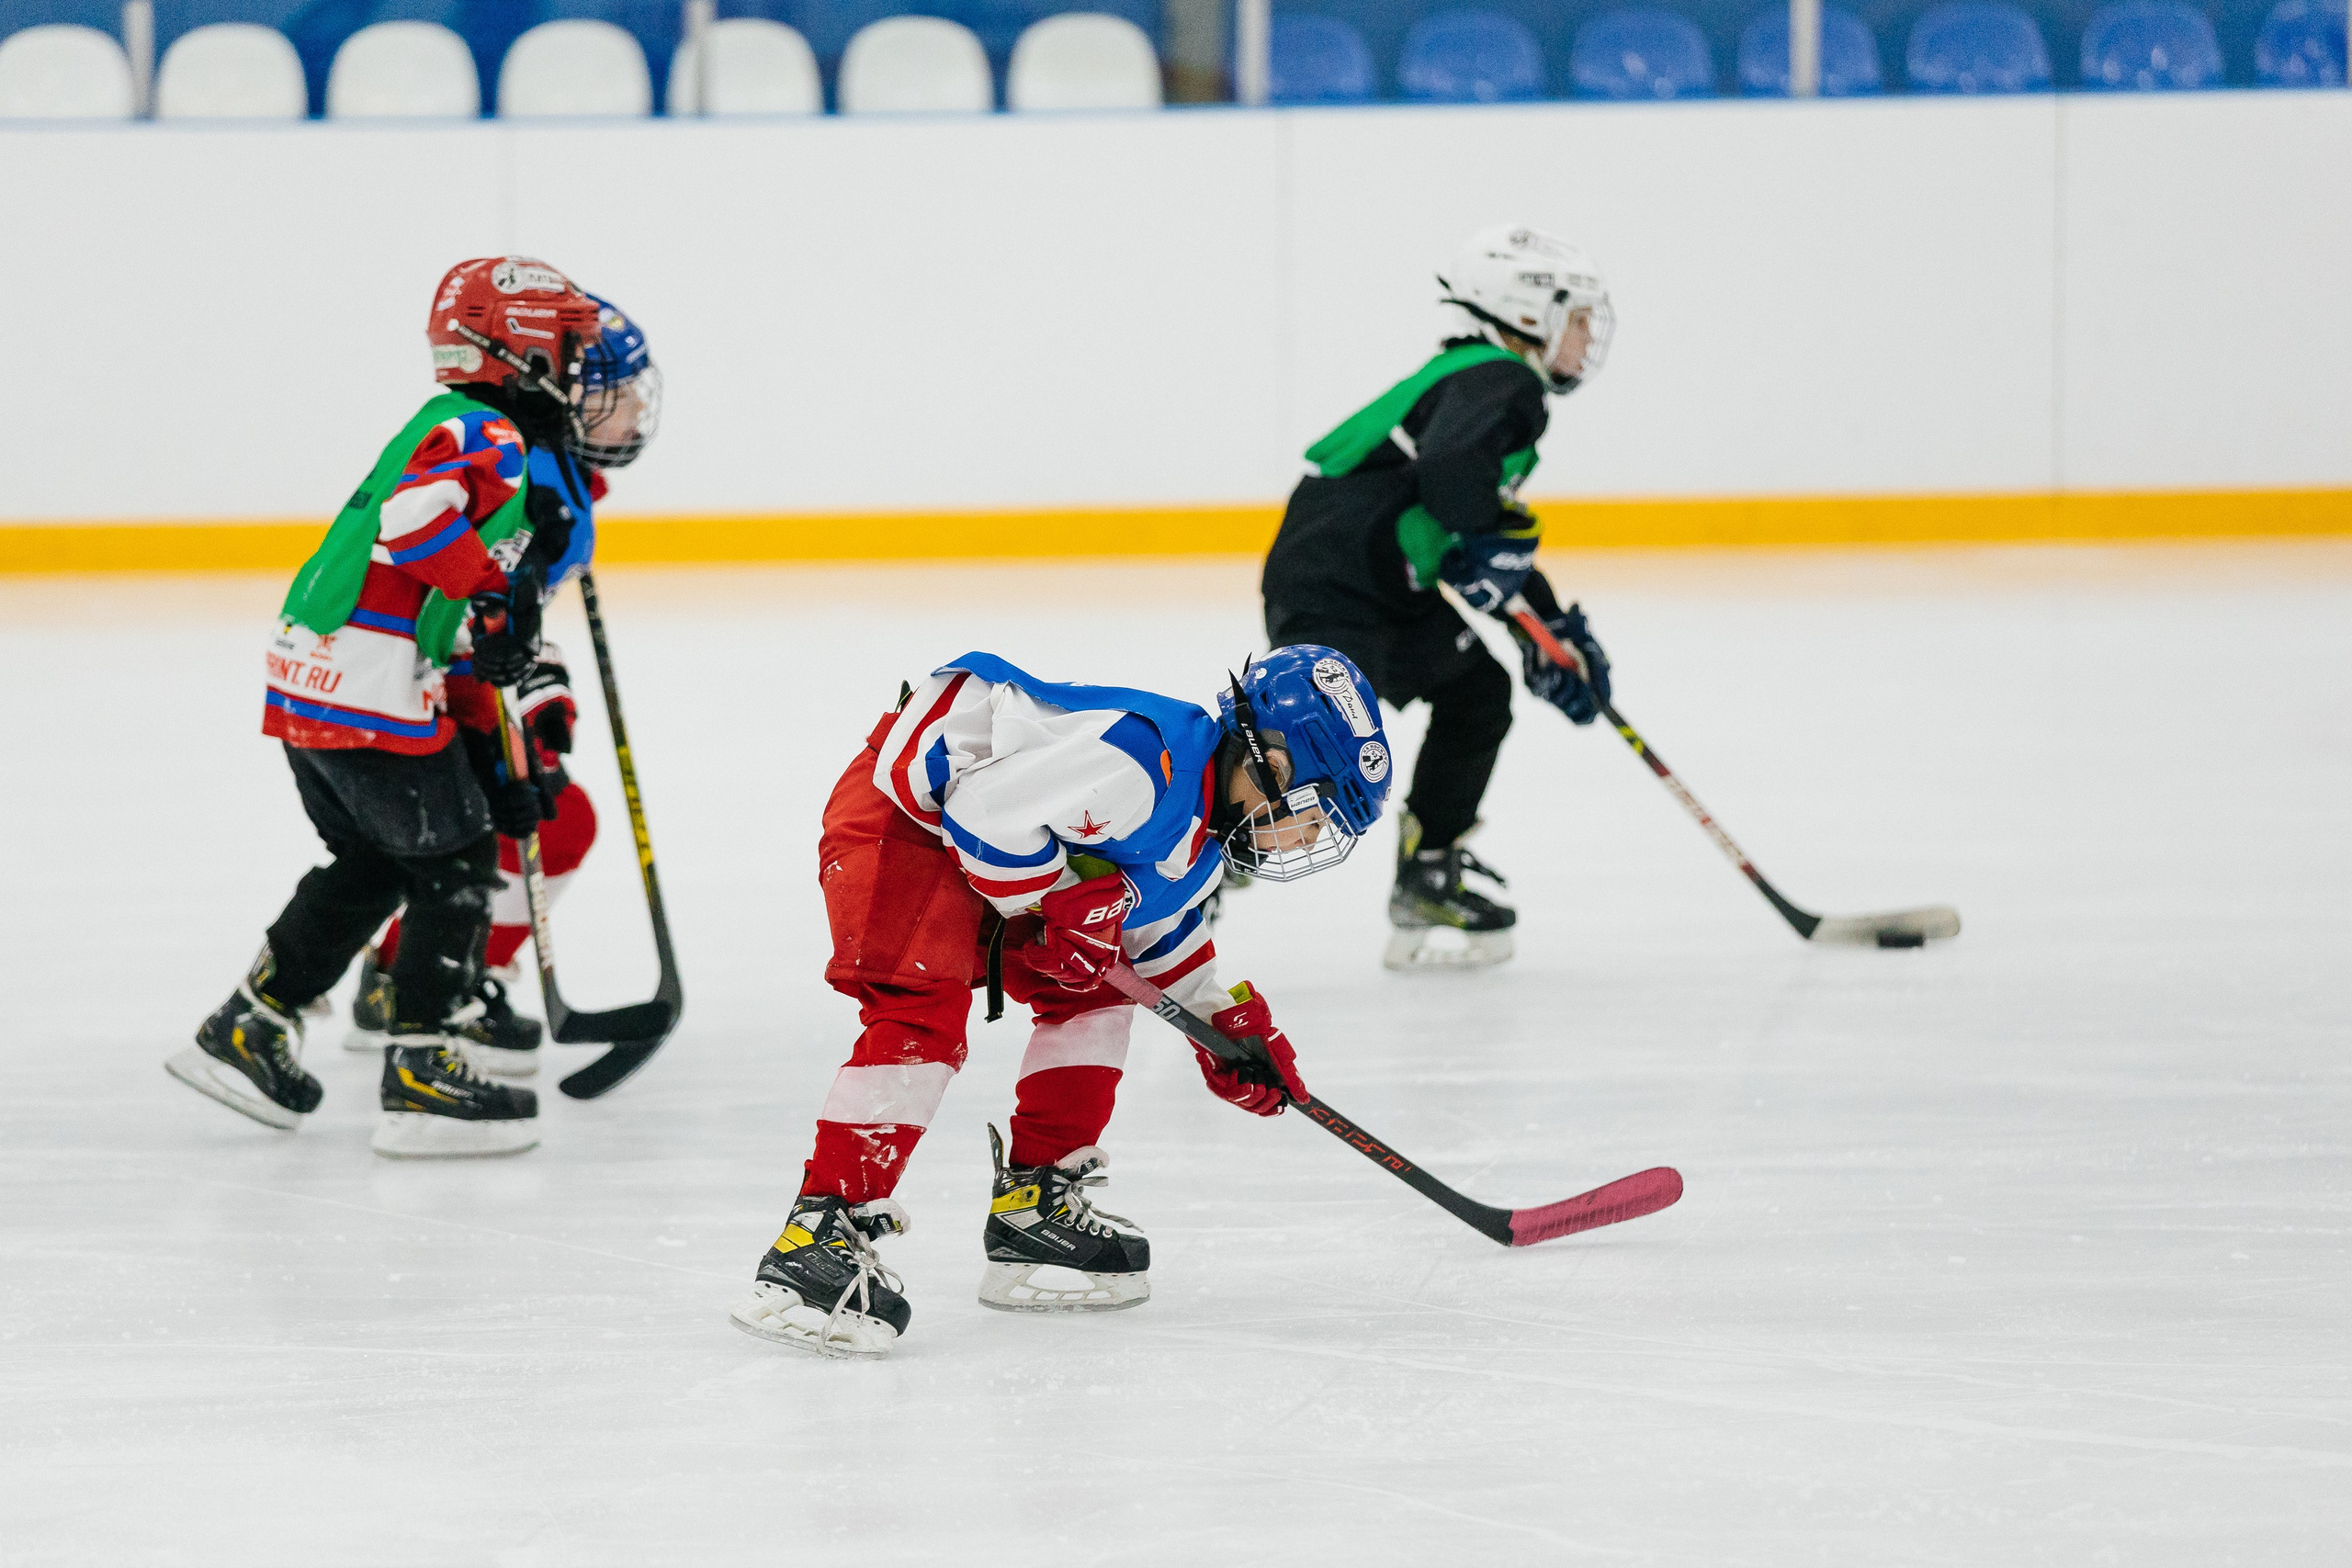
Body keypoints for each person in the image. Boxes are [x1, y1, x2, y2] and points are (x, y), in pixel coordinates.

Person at [729, 645, 1393, 1358]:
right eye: (1316, 814)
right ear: (1275, 766)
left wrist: (1226, 1027)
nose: (1312, 836)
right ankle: (817, 1233)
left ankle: (1033, 1205)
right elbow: (982, 814)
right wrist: (1059, 907)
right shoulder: (1142, 764)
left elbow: (1156, 930)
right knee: (923, 1010)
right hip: (905, 822)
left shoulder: (1203, 830)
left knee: (1093, 993)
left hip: (978, 848)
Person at [165, 256, 603, 1158]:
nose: (573, 369)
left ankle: (249, 1025)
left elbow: (433, 609)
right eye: (563, 348)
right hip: (367, 692)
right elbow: (414, 529)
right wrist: (496, 590)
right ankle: (422, 1071)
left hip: (314, 677)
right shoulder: (489, 435)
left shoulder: (446, 424)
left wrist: (490, 743)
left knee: (374, 860)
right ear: (516, 349)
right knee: (456, 865)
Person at [1261, 224, 1619, 972]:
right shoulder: (1501, 378)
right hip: (1338, 582)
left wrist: (1543, 624)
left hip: (1381, 581)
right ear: (1526, 313)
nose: (1588, 339)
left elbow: (1470, 520)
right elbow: (1460, 493)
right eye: (1577, 320)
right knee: (1310, 756)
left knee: (1477, 694)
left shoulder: (1475, 377)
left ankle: (1429, 870)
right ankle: (1182, 858)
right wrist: (1517, 596)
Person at [344, 295, 663, 1077]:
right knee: (547, 821)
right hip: (427, 684)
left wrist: (541, 688)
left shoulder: (561, 472)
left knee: (543, 820)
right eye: (614, 397)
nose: (632, 414)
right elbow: (473, 609)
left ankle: (403, 978)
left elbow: (510, 617)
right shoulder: (531, 471)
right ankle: (428, 983)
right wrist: (509, 705)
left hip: (443, 677)